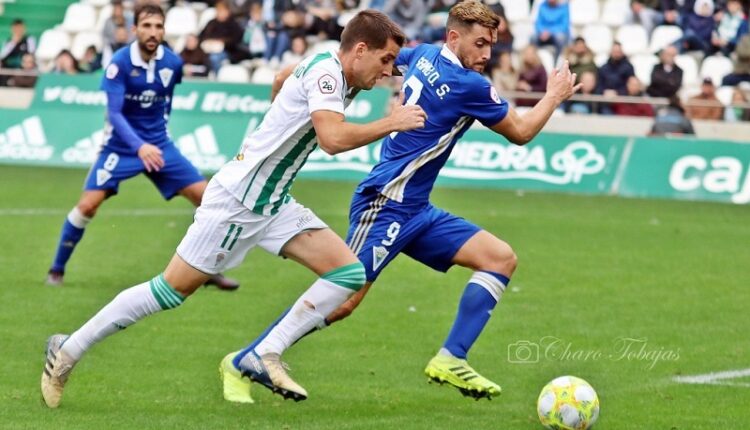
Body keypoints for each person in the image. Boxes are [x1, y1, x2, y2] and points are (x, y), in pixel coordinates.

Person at [41, 9, 426, 408]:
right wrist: (392, 122)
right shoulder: (327, 76)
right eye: (384, 61)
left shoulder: (325, 63)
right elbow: (331, 138)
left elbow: (281, 78)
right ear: (360, 49)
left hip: (272, 202)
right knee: (170, 291)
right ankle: (67, 348)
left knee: (347, 273)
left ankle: (263, 353)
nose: (387, 73)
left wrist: (277, 124)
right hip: (238, 203)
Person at [224, 0, 581, 402]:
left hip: (417, 208)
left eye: (491, 46)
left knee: (499, 258)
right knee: (343, 299)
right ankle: (250, 356)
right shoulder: (472, 86)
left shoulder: (425, 54)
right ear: (453, 37)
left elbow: (376, 60)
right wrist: (553, 96)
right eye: (479, 44)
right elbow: (521, 131)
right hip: (386, 203)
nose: (486, 55)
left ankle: (450, 358)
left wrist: (294, 73)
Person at [45, 4, 238, 291]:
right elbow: (115, 114)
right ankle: (56, 269)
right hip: (120, 147)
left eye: (158, 26)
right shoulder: (120, 63)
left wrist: (158, 134)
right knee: (88, 204)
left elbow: (167, 101)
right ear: (135, 29)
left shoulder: (172, 64)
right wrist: (139, 146)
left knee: (208, 199)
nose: (153, 32)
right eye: (146, 26)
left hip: (159, 145)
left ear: (164, 30)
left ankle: (208, 268)